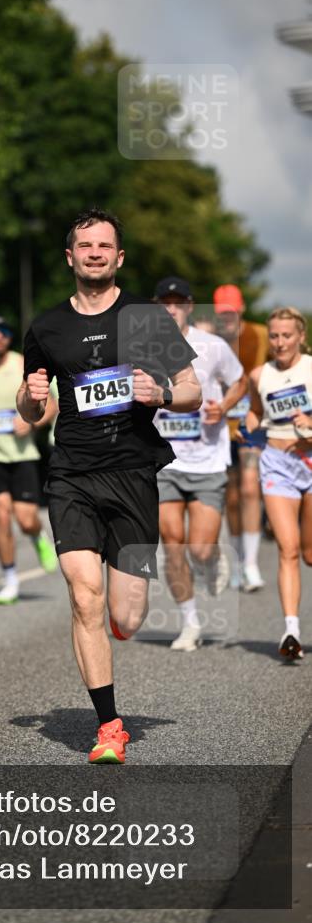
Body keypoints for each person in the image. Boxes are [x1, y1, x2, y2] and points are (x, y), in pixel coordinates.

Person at [18, 208, 201, 764]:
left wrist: (161, 395)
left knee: (127, 615)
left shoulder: (146, 319)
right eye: (84, 245)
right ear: (70, 256)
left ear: (118, 257)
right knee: (83, 595)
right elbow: (30, 412)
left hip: (133, 475)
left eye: (104, 246)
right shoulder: (45, 328)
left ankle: (117, 628)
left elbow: (194, 392)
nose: (94, 253)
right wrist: (30, 396)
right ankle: (109, 725)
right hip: (71, 472)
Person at [153, 277, 246, 651]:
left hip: (207, 462)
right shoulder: (142, 347)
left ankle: (214, 556)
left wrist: (222, 407)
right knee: (173, 543)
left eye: (178, 303)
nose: (171, 308)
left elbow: (240, 382)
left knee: (200, 549)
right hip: (164, 463)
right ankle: (190, 623)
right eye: (164, 303)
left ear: (190, 307)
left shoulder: (213, 346)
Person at [0, 315, 57, 604]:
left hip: (22, 455)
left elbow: (53, 403)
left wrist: (32, 423)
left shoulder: (23, 364)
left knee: (25, 518)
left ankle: (37, 536)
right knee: (1, 513)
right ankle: (10, 580)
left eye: (5, 331)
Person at [245, 307, 312, 661]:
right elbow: (255, 410)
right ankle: (291, 630)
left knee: (309, 553)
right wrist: (249, 424)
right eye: (274, 336)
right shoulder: (260, 374)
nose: (280, 342)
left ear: (301, 336)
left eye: (287, 335)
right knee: (287, 549)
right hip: (277, 462)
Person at [214, 284, 269, 591]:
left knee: (250, 488)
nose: (227, 318)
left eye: (232, 312)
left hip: (254, 425)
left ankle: (251, 564)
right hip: (220, 428)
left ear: (242, 308)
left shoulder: (261, 335)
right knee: (231, 497)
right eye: (223, 313)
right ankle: (236, 563)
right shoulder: (210, 340)